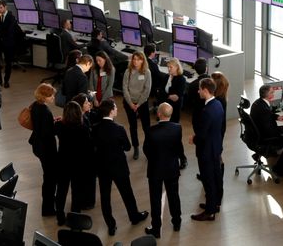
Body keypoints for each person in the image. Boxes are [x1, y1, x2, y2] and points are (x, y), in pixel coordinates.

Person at [93, 99, 148, 236]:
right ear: (111, 111)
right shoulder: (119, 129)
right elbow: (128, 147)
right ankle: (134, 217)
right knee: (127, 193)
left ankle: (111, 225)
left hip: (102, 167)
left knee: (105, 198)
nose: (117, 109)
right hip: (118, 167)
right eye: (116, 108)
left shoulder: (95, 128)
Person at [143, 102, 184, 238]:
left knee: (155, 199)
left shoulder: (150, 130)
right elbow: (179, 148)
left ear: (159, 114)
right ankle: (177, 222)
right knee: (174, 196)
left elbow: (146, 150)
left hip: (155, 170)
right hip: (172, 168)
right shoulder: (177, 128)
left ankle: (156, 228)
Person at [55, 101, 94, 224]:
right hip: (79, 164)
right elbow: (89, 147)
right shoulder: (83, 128)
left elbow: (54, 127)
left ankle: (60, 216)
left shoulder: (60, 126)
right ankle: (74, 216)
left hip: (62, 163)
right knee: (77, 191)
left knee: (61, 190)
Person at [191, 77, 224, 222]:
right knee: (216, 178)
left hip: (206, 151)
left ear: (205, 90)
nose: (198, 91)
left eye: (199, 89)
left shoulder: (206, 111)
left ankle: (210, 212)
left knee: (208, 180)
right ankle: (215, 203)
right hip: (216, 147)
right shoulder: (218, 104)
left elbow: (202, 135)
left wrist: (194, 139)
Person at [250, 84, 283, 177]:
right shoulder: (264, 109)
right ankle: (278, 168)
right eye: (272, 92)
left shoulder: (258, 103)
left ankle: (259, 155)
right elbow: (270, 131)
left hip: (255, 135)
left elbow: (267, 115)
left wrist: (277, 117)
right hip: (265, 138)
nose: (274, 94)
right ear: (268, 95)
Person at [29, 83, 58, 217]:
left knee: (48, 177)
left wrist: (51, 121)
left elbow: (40, 125)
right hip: (47, 149)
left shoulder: (35, 106)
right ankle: (48, 208)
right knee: (50, 179)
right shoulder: (45, 111)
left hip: (38, 146)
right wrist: (58, 125)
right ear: (45, 96)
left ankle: (48, 206)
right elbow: (48, 132)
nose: (53, 98)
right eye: (51, 95)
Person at [123, 51, 152, 160]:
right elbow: (125, 88)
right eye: (134, 59)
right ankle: (135, 147)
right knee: (133, 126)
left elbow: (147, 89)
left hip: (142, 103)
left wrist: (138, 104)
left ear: (143, 60)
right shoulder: (128, 71)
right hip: (129, 103)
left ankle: (148, 147)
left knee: (146, 127)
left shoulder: (147, 72)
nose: (135, 61)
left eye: (138, 59)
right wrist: (131, 103)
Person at [71, 93, 98, 209]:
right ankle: (86, 202)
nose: (89, 104)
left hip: (79, 157)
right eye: (86, 102)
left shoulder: (81, 116)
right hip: (85, 157)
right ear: (81, 106)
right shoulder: (81, 123)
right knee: (87, 181)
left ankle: (81, 202)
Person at [159, 58, 187, 168]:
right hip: (164, 109)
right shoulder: (166, 77)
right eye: (168, 67)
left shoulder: (181, 79)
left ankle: (182, 158)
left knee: (175, 135)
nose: (169, 69)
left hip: (174, 110)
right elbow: (160, 92)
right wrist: (168, 96)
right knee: (164, 134)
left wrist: (166, 95)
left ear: (177, 67)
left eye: (171, 67)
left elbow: (176, 97)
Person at [0, 0, 18, 88]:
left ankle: (6, 80)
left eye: (1, 8)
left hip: (8, 43)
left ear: (5, 7)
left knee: (8, 63)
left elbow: (7, 31)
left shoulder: (11, 17)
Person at [186, 57, 209, 124]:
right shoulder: (211, 82)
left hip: (197, 114)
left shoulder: (192, 85)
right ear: (206, 69)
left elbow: (189, 101)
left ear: (195, 70)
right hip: (208, 113)